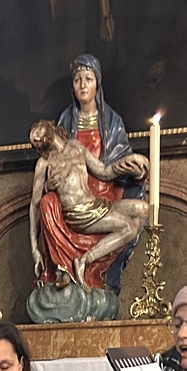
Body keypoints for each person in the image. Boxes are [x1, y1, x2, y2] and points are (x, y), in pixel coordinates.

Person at [28, 120, 149, 290]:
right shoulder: (44, 163)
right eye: (34, 140)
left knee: (143, 209)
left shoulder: (76, 146)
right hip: (79, 214)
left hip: (95, 204)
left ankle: (103, 265)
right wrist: (34, 248)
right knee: (128, 228)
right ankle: (85, 260)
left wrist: (127, 164)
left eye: (37, 133)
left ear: (49, 126)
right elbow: (35, 204)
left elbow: (103, 172)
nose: (36, 139)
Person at [55, 53, 140, 293]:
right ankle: (83, 264)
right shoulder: (65, 121)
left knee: (143, 210)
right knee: (127, 226)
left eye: (88, 79)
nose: (83, 85)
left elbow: (116, 159)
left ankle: (104, 271)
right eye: (77, 80)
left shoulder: (111, 121)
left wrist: (136, 169)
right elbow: (55, 160)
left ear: (97, 83)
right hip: (78, 195)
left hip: (106, 189)